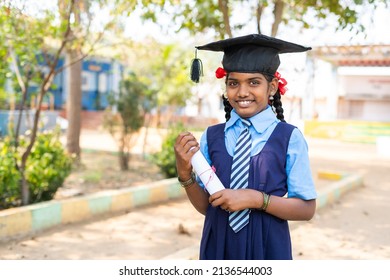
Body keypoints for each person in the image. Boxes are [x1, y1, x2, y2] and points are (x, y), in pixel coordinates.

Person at [174, 34, 317, 260]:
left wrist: (257, 199)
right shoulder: (212, 136)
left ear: (272, 87)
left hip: (267, 248)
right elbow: (207, 206)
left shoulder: (289, 137)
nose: (242, 92)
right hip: (217, 246)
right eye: (233, 83)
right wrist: (185, 173)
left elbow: (307, 209)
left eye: (254, 82)